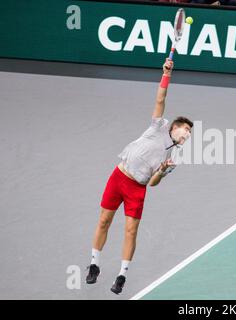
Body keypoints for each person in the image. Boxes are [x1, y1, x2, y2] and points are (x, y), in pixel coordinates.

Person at [85, 58, 193, 294]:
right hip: (119, 176)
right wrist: (167, 74)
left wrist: (162, 171)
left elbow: (153, 184)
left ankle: (121, 276)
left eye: (190, 133)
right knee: (104, 220)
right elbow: (160, 99)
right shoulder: (158, 126)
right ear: (174, 127)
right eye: (186, 129)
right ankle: (94, 264)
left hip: (137, 188)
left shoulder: (174, 156)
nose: (188, 134)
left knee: (131, 230)